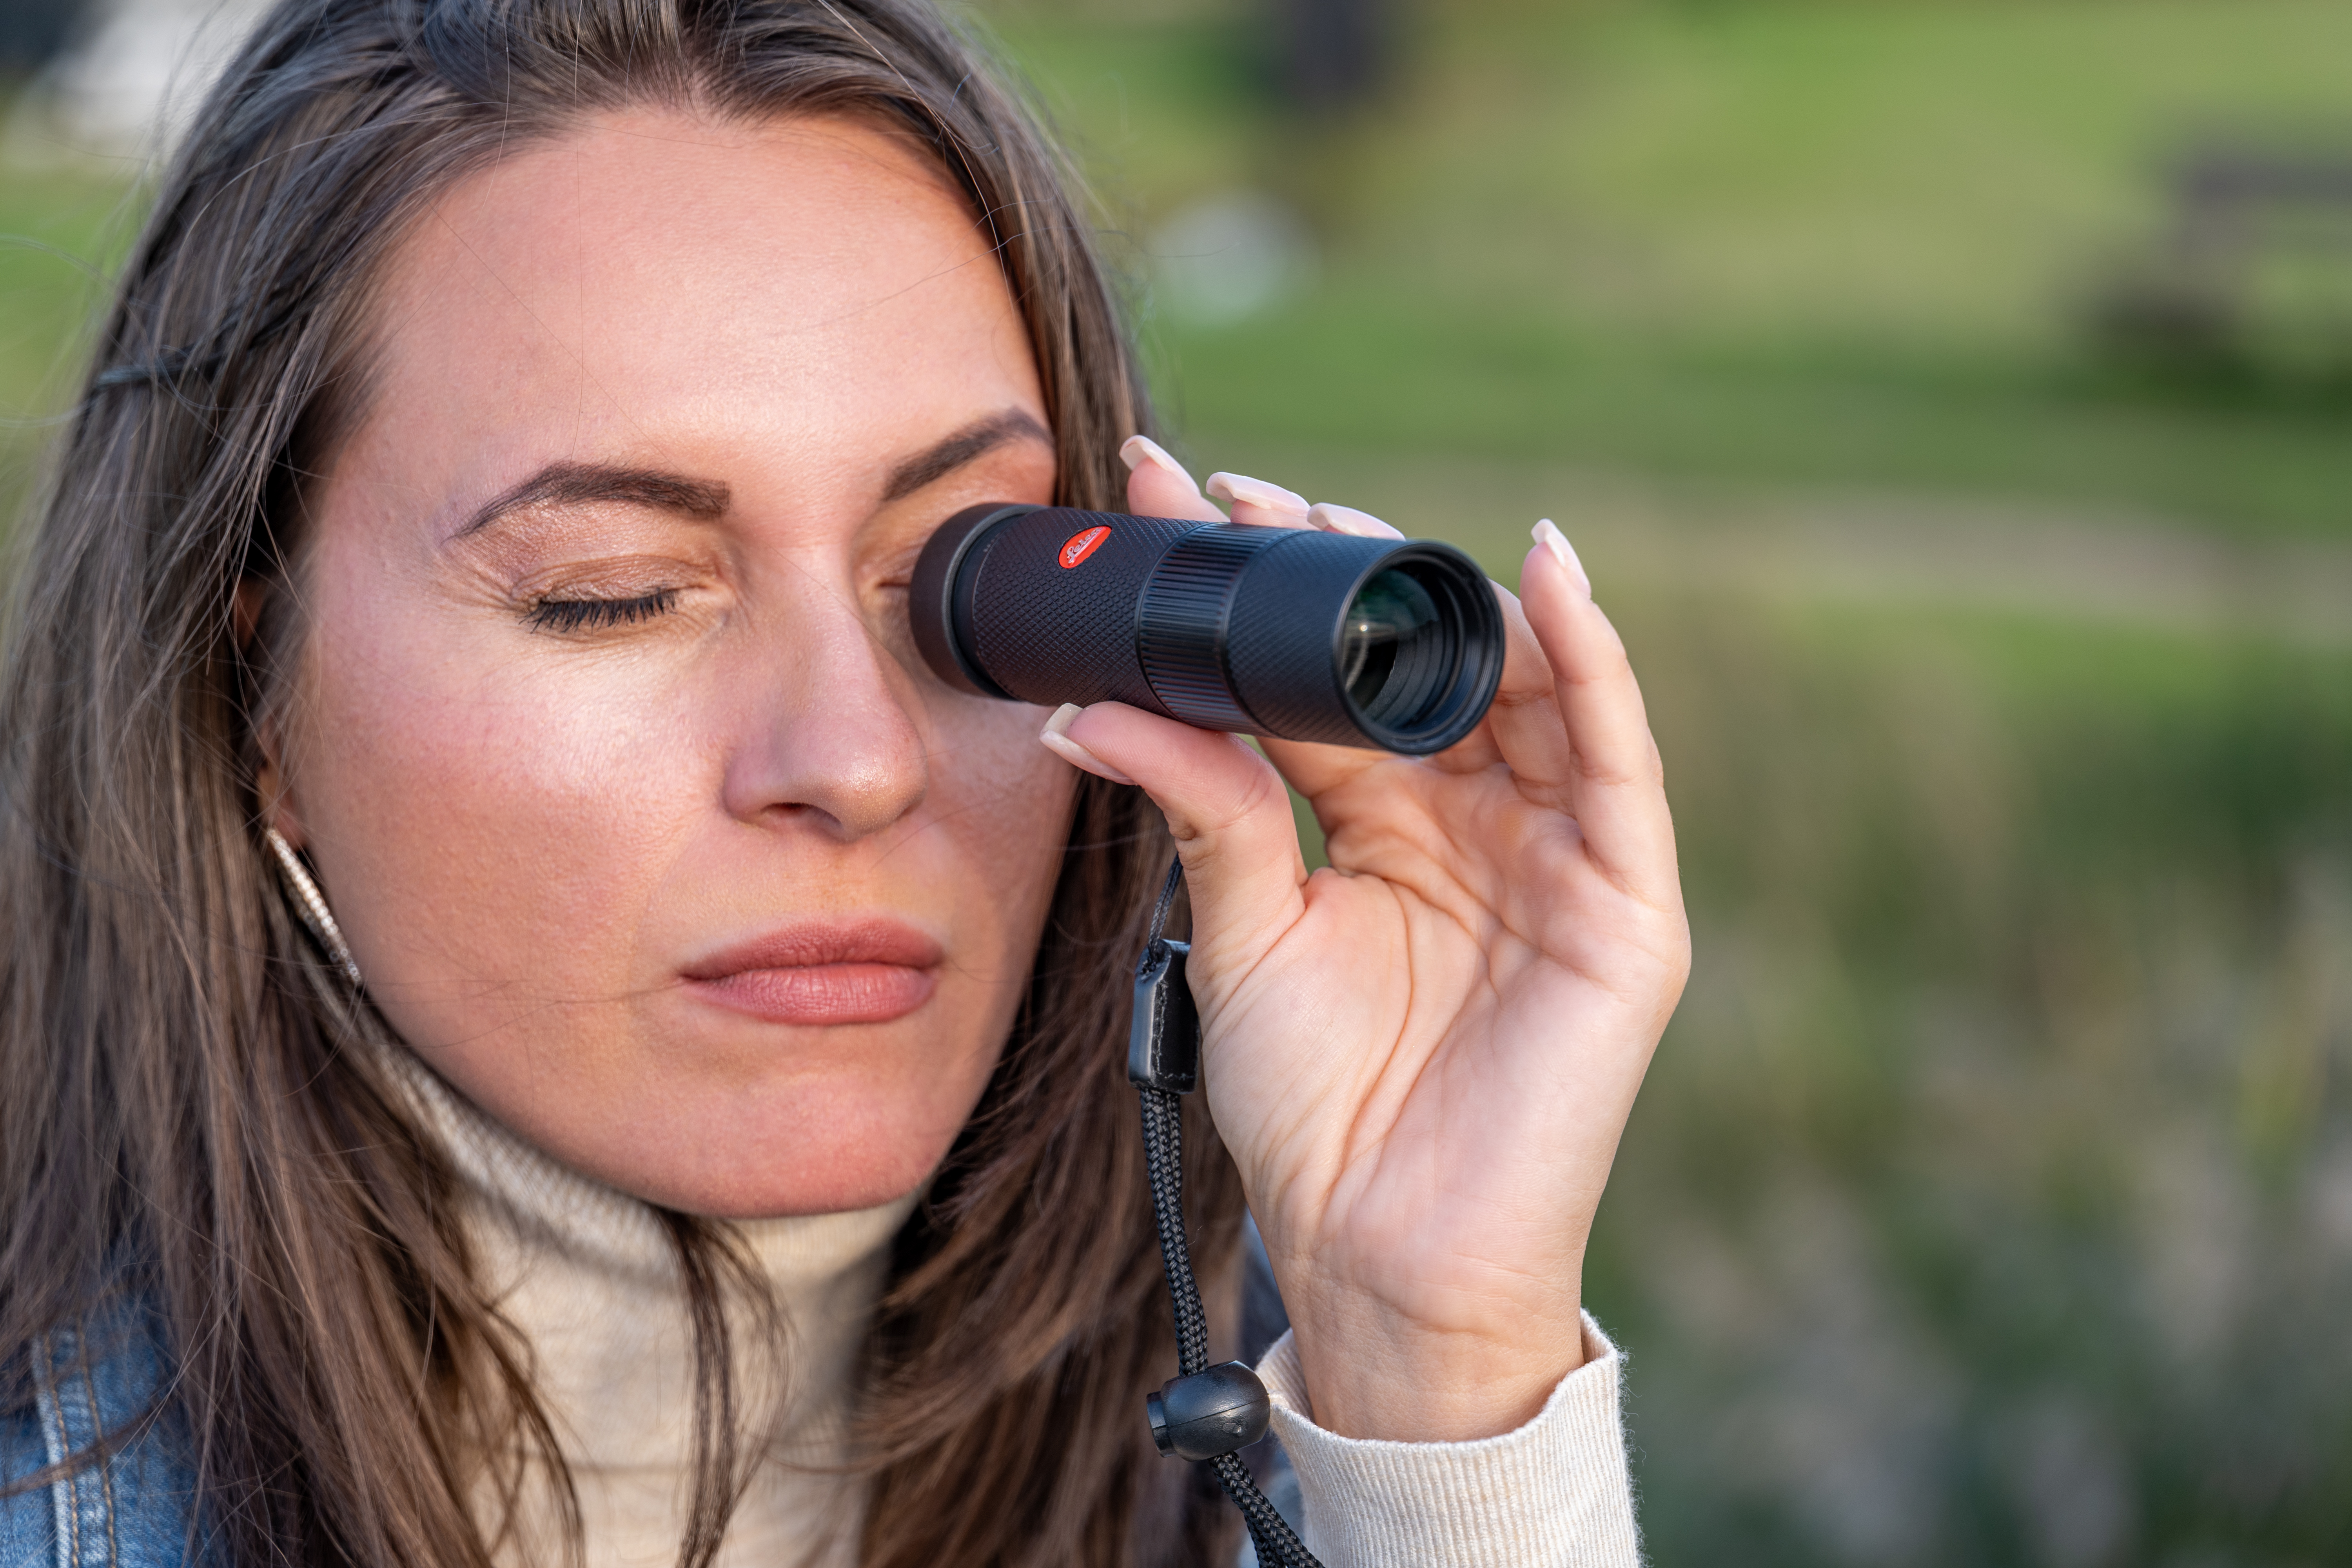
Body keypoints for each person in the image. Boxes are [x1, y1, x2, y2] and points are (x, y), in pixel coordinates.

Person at [0, 2, 1690, 1564]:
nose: (858, 760)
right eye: (613, 591)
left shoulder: (1257, 1433)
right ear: (251, 700)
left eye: (974, 585)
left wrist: (1440, 1392)